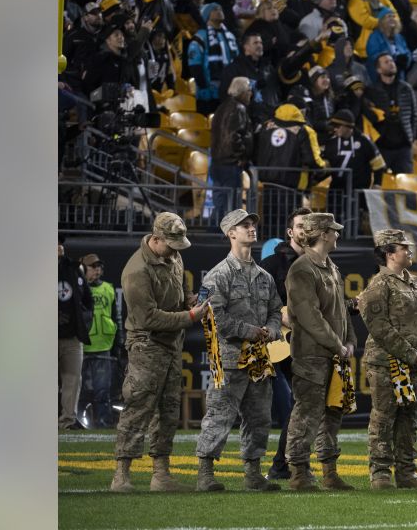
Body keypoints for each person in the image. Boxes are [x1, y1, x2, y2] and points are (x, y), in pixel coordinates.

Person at [110, 213, 210, 492]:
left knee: (168, 410)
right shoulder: (136, 270)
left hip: (171, 344)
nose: (176, 251)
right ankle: (121, 475)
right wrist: (190, 316)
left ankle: (161, 474)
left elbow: (181, 293)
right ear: (155, 239)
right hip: (147, 343)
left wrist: (190, 300)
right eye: (171, 245)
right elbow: (148, 318)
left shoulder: (174, 257)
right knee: (138, 406)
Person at [194, 210, 284, 492]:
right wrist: (250, 331)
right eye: (244, 225)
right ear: (230, 233)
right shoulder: (218, 275)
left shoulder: (264, 276)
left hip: (259, 358)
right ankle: (205, 474)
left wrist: (271, 329)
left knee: (259, 417)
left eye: (253, 224)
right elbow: (213, 318)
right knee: (220, 415)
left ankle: (253, 473)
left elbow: (275, 311)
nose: (251, 228)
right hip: (230, 358)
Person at [360, 229, 417, 490]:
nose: (409, 251)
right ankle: (380, 473)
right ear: (388, 254)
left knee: (410, 418)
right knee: (384, 417)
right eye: (403, 247)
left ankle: (407, 473)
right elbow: (379, 327)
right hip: (386, 363)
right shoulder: (379, 285)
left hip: (415, 364)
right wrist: (411, 354)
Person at [284, 212, 357, 491]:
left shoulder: (331, 266)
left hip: (335, 354)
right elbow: (308, 316)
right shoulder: (302, 269)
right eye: (334, 231)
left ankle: (329, 472)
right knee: (307, 413)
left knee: (332, 413)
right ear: (323, 234)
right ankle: (299, 472)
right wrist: (337, 344)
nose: (338, 235)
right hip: (312, 354)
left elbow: (342, 310)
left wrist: (349, 340)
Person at [260, 207, 311, 481]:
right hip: (274, 346)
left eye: (309, 225)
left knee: (301, 406)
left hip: (302, 346)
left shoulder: (319, 264)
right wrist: (278, 314)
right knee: (262, 409)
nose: (305, 230)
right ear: (290, 231)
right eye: (300, 225)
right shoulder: (271, 265)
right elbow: (256, 302)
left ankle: (283, 465)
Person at [79, 253, 119, 428]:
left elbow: (116, 317)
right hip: (82, 345)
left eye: (99, 266)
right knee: (80, 390)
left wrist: (118, 344)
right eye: (92, 267)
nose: (97, 270)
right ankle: (79, 422)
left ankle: (104, 422)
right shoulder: (78, 288)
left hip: (104, 346)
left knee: (103, 390)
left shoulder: (109, 289)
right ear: (83, 269)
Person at [59, 241, 93, 431]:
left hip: (72, 336)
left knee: (72, 379)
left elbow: (88, 301)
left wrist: (82, 323)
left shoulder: (73, 269)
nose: (58, 246)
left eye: (60, 243)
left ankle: (67, 421)